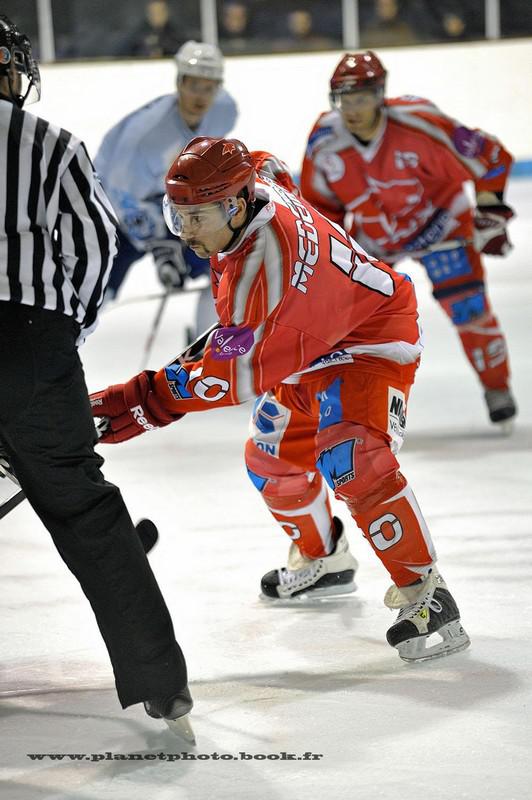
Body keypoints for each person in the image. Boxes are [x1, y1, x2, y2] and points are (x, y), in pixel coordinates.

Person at [90, 136, 470, 663]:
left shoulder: (261, 271)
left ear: (234, 205)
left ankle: (427, 593)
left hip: (368, 337)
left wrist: (136, 404)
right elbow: (271, 165)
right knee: (270, 461)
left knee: (352, 457)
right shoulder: (254, 184)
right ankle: (325, 559)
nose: (187, 232)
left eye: (196, 217)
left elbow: (226, 377)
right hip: (303, 337)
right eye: (178, 217)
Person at [0, 15, 193, 739]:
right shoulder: (50, 143)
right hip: (32, 344)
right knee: (87, 511)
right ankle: (159, 682)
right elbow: (95, 245)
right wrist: (62, 331)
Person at [300, 51, 517, 431]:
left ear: (380, 94)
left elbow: (491, 157)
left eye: (361, 98)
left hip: (442, 227)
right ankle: (353, 403)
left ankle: (496, 387)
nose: (352, 109)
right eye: (344, 99)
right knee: (349, 323)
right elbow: (321, 208)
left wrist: (489, 213)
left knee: (469, 308)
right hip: (377, 238)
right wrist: (329, 264)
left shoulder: (420, 122)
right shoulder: (324, 141)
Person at [94, 40, 238, 338]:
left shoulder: (224, 109)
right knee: (97, 290)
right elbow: (119, 197)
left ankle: (209, 339)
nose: (201, 96)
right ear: (179, 82)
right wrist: (161, 245)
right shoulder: (145, 136)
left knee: (222, 260)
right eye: (194, 85)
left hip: (169, 200)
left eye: (209, 87)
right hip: (111, 209)